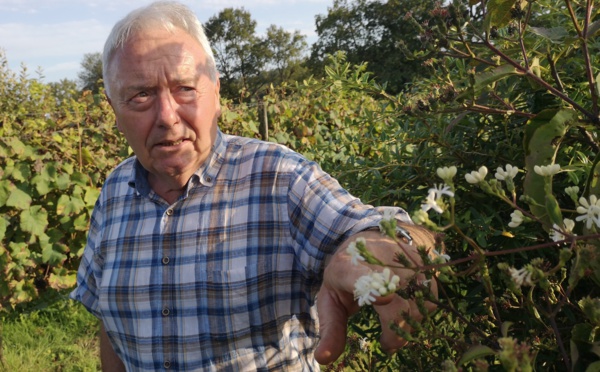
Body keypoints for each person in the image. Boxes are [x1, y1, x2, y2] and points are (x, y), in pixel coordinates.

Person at [69, 1, 438, 370]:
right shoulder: (115, 190)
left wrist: (389, 250)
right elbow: (110, 320)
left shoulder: (279, 177)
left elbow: (377, 229)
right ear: (114, 110)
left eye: (184, 88)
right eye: (141, 95)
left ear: (216, 94)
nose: (167, 116)